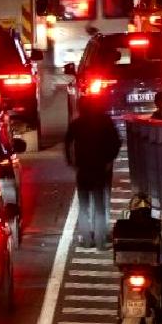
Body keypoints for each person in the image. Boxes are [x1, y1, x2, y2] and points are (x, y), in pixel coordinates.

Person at [64, 95, 122, 249]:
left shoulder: (77, 124)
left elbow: (67, 142)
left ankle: (86, 239)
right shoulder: (104, 121)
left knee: (84, 206)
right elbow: (117, 141)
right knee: (99, 206)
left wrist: (72, 162)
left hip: (83, 169)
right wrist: (109, 160)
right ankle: (100, 241)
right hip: (99, 169)